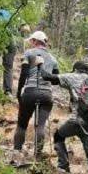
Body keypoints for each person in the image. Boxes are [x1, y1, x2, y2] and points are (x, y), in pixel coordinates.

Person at [12, 30, 58, 159]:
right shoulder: (53, 59)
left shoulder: (29, 53)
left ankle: (17, 151)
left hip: (30, 92)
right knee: (40, 125)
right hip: (46, 94)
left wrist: (19, 92)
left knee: (22, 124)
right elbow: (55, 80)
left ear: (34, 41)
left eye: (31, 41)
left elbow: (24, 74)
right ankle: (38, 155)